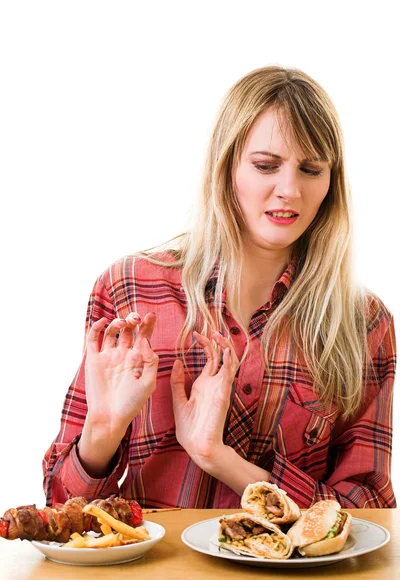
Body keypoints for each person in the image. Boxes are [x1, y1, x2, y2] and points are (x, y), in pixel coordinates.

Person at [43, 65, 397, 509]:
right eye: (266, 165)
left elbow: (369, 513)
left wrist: (220, 459)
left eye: (311, 169)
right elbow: (60, 502)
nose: (289, 189)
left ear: (332, 183)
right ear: (227, 166)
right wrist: (104, 430)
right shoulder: (130, 286)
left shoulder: (364, 323)